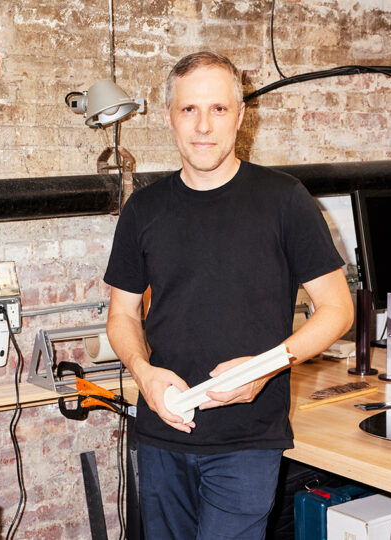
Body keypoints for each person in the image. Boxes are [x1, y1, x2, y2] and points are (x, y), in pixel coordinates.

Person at [103, 51, 354, 539]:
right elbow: (122, 315)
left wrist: (265, 367)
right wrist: (144, 374)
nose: (203, 126)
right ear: (170, 117)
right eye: (188, 110)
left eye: (218, 109)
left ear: (239, 117)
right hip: (161, 432)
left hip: (248, 436)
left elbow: (337, 309)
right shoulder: (143, 209)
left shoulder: (284, 200)